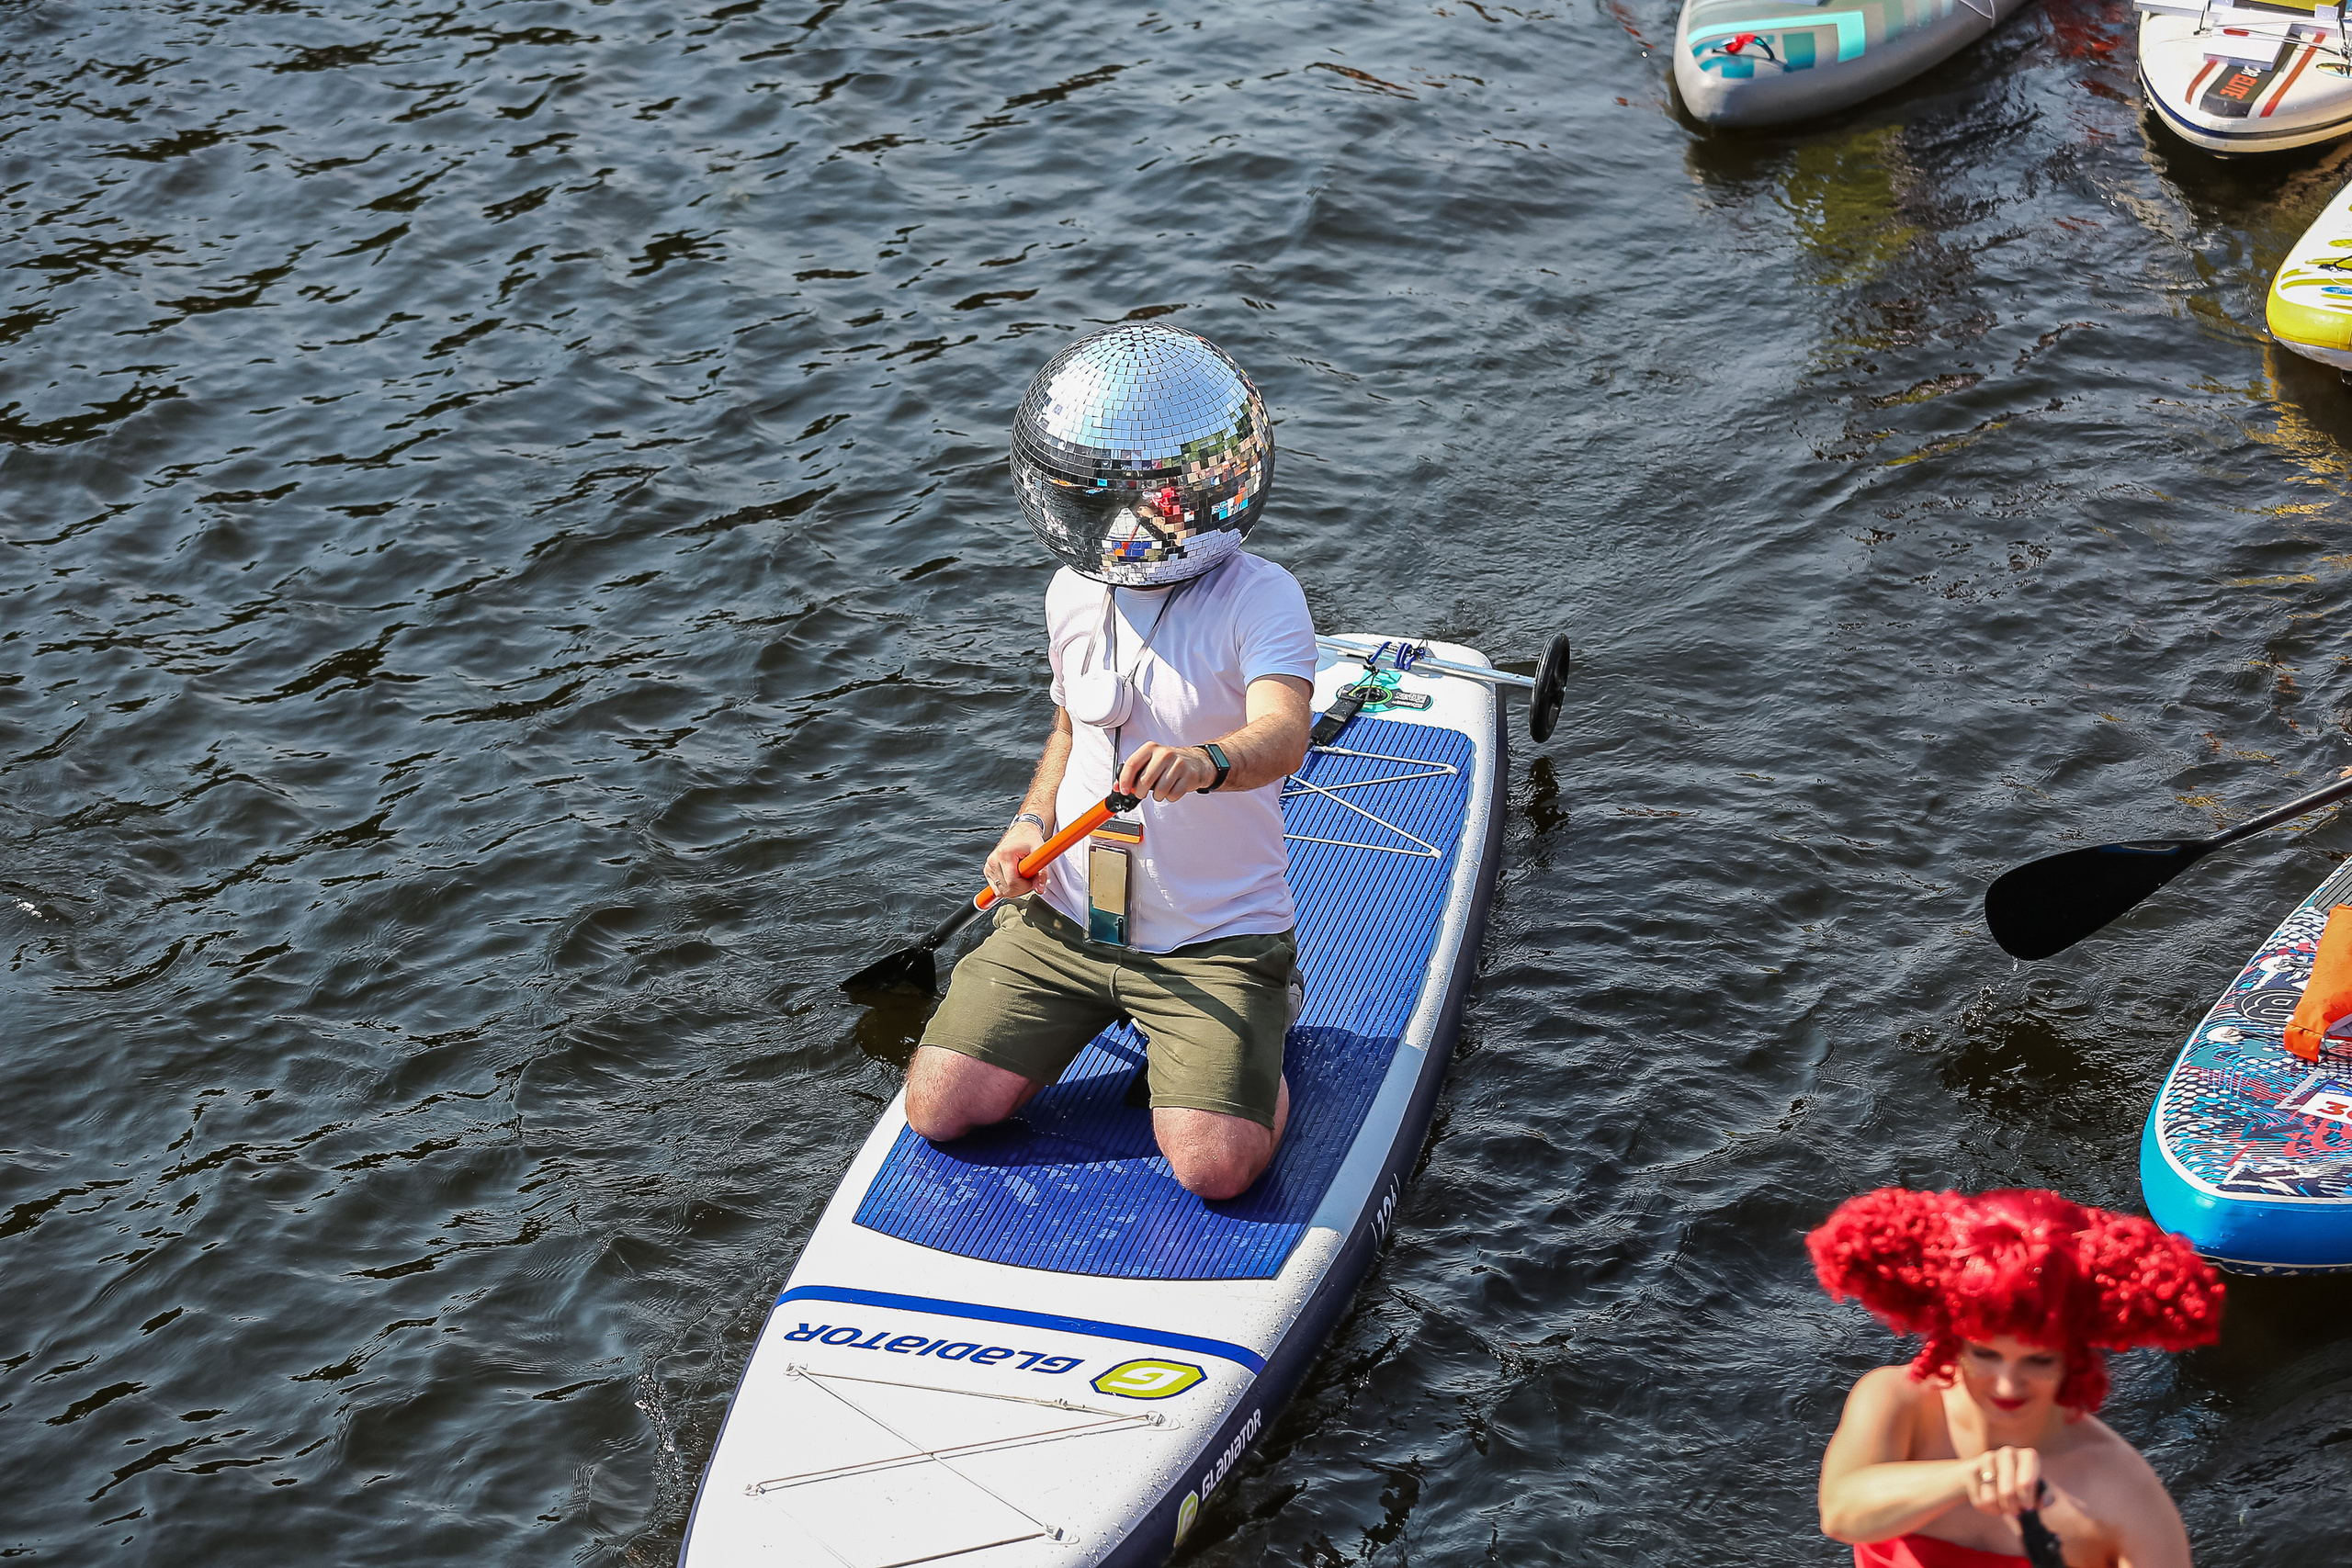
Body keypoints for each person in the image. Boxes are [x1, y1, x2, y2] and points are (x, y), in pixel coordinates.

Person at [902, 322, 1317, 1201]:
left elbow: (1284, 736)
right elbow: (1067, 732)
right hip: (1066, 918)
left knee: (1215, 1168)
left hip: (1214, 939)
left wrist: (1207, 761)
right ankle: (1103, 1012)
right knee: (937, 1108)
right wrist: (1025, 829)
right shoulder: (1068, 589)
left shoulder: (1262, 595)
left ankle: (1264, 1017)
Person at [1811, 1188, 2225, 1568]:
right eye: (1986, 1354)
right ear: (1953, 1341)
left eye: (2038, 1362)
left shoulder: (2120, 1490)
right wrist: (1965, 1478)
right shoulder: (1896, 1400)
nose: (2007, 1385)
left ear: (2072, 1359)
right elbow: (1841, 1513)